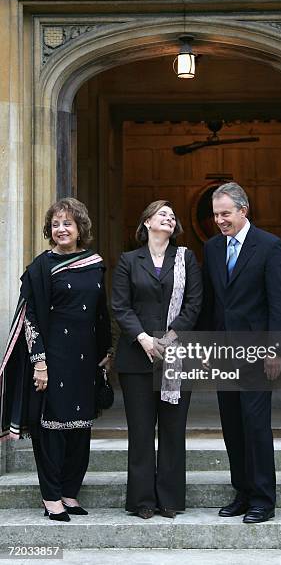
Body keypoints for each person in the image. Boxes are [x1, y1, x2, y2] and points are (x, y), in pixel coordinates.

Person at [0, 198, 112, 521]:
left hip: (85, 358)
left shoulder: (94, 263)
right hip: (52, 359)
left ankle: (69, 493)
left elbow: (100, 312)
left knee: (80, 429)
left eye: (68, 224)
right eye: (56, 224)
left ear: (80, 229)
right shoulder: (40, 268)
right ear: (49, 230)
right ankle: (51, 498)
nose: (61, 229)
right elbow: (30, 318)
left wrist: (106, 351)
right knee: (51, 429)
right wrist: (39, 361)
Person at [201, 182, 281, 523]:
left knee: (255, 425)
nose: (220, 220)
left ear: (243, 210)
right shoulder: (211, 248)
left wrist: (276, 349)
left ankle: (263, 499)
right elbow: (211, 303)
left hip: (257, 353)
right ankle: (242, 491)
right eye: (215, 215)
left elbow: (280, 303)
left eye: (225, 214)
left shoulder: (270, 246)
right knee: (232, 426)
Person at [111, 200, 202, 519]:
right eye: (162, 213)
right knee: (140, 431)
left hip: (177, 353)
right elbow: (120, 306)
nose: (169, 217)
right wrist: (145, 339)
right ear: (147, 222)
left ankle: (170, 500)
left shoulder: (186, 258)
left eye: (172, 216)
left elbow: (194, 303)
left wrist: (168, 338)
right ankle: (142, 501)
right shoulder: (128, 260)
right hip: (136, 358)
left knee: (173, 430)